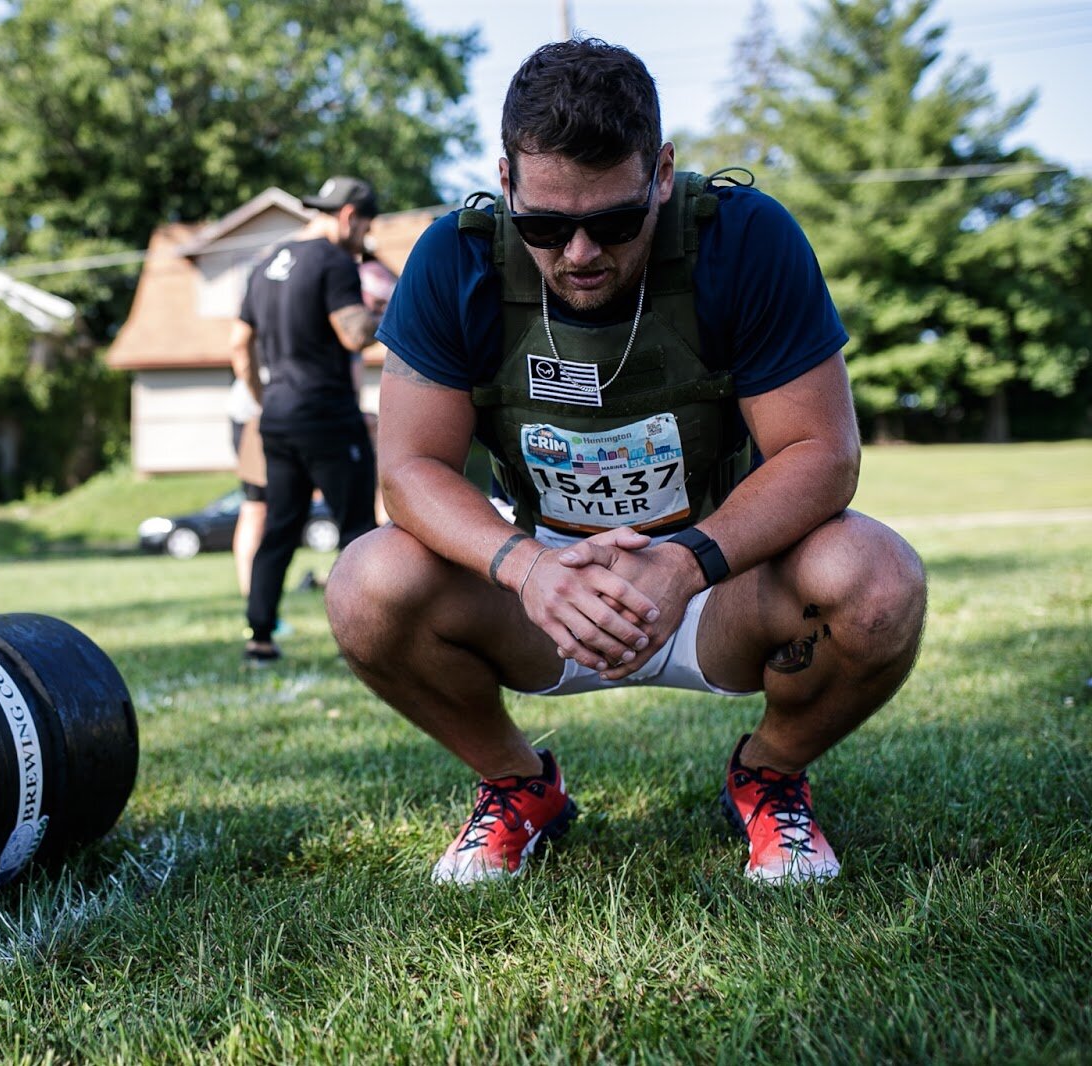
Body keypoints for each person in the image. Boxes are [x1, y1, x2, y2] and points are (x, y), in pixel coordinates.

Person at [325, 39, 927, 886]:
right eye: (544, 225)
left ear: (663, 174)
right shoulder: (453, 258)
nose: (579, 254)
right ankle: (518, 785)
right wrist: (530, 569)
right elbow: (410, 472)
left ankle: (768, 776)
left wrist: (685, 563)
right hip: (544, 595)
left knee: (878, 580)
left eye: (613, 221)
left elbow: (823, 454)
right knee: (364, 585)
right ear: (505, 184)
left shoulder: (743, 239)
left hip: (721, 585)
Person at [231, 176, 383, 664]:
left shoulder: (265, 263)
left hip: (276, 414)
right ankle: (359, 640)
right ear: (348, 217)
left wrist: (263, 397)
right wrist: (397, 310)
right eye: (366, 228)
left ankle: (259, 638)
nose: (366, 240)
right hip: (328, 415)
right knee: (357, 527)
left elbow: (239, 344)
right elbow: (355, 334)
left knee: (279, 527)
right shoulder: (333, 261)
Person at [226, 374, 268, 598]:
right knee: (256, 509)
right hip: (257, 415)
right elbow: (240, 346)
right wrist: (263, 401)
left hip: (294, 407)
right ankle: (252, 593)